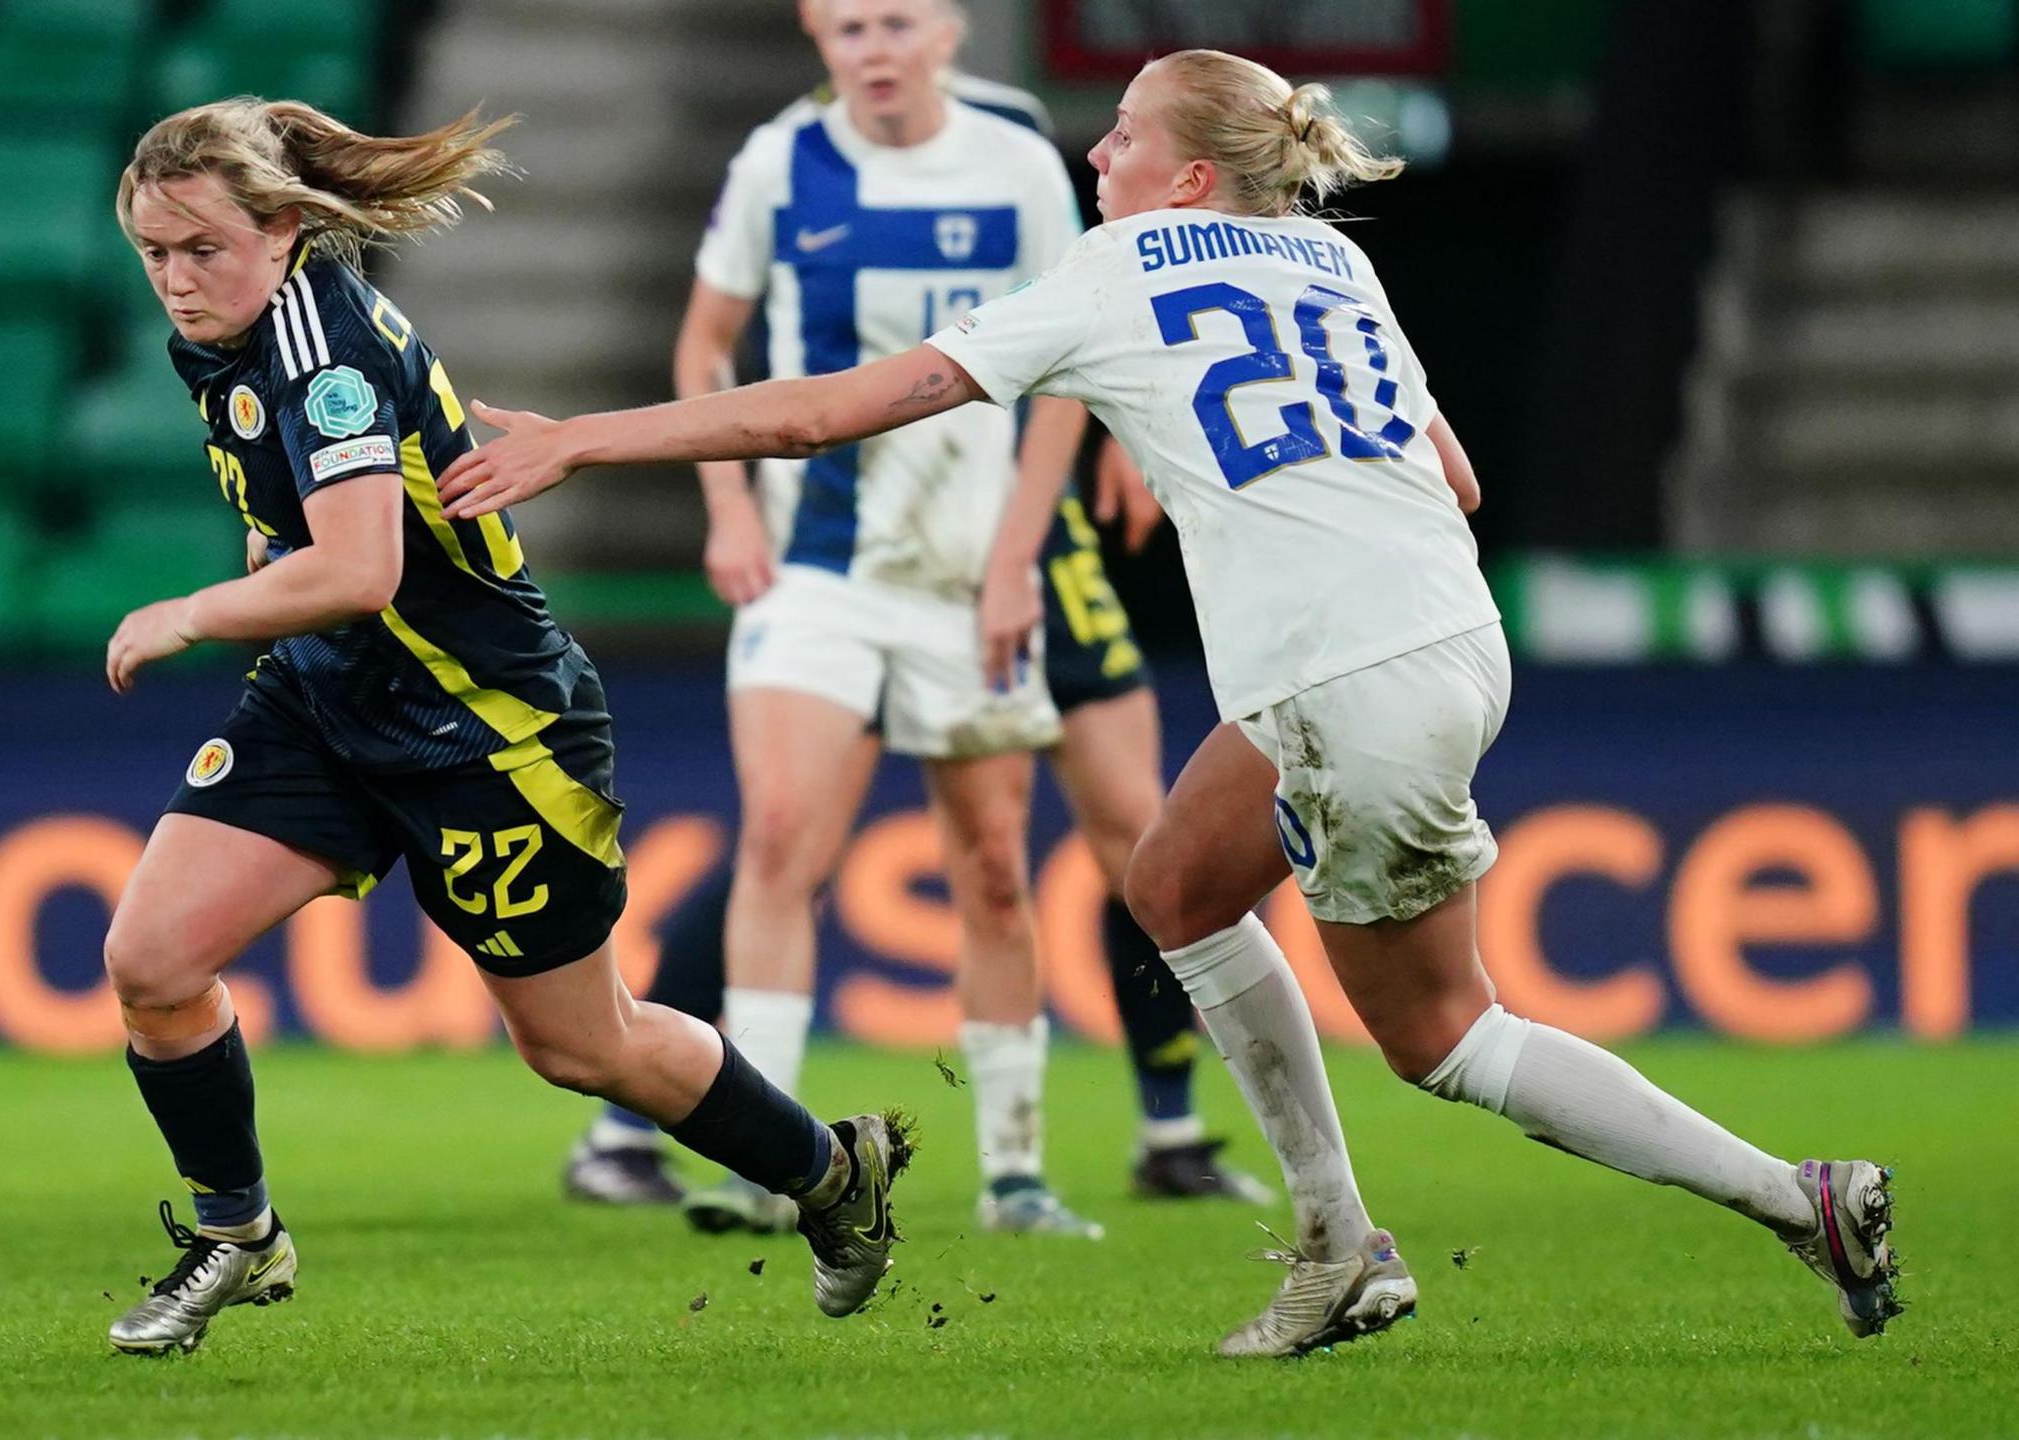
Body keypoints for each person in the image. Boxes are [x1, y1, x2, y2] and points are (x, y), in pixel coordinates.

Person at [436, 50, 1903, 1357]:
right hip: (1442, 640)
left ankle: (1792, 1198)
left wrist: (585, 441)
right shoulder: (1338, 266)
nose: (1097, 156)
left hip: (1341, 680)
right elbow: (1449, 470)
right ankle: (1338, 1245)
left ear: (1188, 172)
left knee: (1444, 1036)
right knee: (1177, 883)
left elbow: (829, 410)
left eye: (1124, 135)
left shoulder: (1115, 273)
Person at [93, 96, 914, 1355]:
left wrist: (194, 611)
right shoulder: (225, 334)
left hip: (490, 733)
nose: (175, 279)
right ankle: (238, 1237)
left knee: (585, 1048)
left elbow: (360, 566)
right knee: (151, 961)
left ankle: (828, 1173)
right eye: (153, 252)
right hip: (325, 701)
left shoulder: (320, 351)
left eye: (200, 248)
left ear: (285, 226)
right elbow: (297, 533)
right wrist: (268, 584)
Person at [562, 0, 1268, 1219]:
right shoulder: (782, 160)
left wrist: (1015, 557)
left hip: (968, 576)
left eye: (894, 22)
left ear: (945, 30)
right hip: (819, 572)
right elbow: (707, 344)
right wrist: (726, 509)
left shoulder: (1015, 152)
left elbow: (1066, 359)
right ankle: (776, 1169)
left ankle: (1015, 1173)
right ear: (814, 38)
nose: (871, 49)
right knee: (781, 844)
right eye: (845, 30)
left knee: (993, 866)